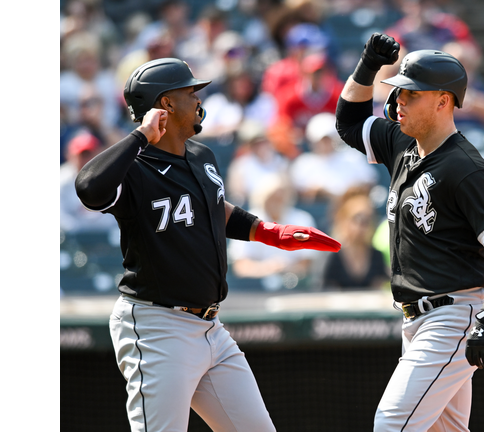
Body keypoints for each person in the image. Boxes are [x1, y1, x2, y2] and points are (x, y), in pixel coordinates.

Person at [74, 57, 340, 432]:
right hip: (157, 326)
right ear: (165, 105)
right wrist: (140, 136)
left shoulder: (201, 155)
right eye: (190, 93)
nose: (199, 100)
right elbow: (89, 188)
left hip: (212, 329)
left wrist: (266, 232)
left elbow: (213, 208)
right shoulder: (134, 167)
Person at [335, 33, 484, 431]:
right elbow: (348, 123)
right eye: (400, 92)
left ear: (443, 101)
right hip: (418, 319)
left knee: (391, 423)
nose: (399, 101)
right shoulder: (403, 143)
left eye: (411, 95)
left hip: (454, 314)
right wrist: (368, 66)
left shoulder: (467, 168)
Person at [228, 173, 321, 291]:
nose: (277, 201)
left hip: (295, 288)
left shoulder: (302, 219)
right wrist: (267, 268)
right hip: (254, 290)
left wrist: (285, 269)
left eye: (281, 197)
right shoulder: (246, 221)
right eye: (272, 197)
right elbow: (240, 266)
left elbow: (306, 264)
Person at [289, 112, 378, 204]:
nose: (325, 143)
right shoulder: (303, 163)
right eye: (322, 140)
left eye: (328, 139)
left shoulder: (353, 157)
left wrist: (351, 192)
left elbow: (369, 182)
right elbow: (298, 193)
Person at [321, 186, 389, 290]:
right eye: (358, 218)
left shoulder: (377, 256)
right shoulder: (330, 257)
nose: (363, 225)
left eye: (368, 219)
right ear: (343, 219)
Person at [61, 132, 118, 234]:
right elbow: (60, 217)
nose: (86, 160)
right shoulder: (61, 180)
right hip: (73, 239)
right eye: (82, 155)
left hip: (106, 237)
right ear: (71, 156)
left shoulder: (110, 177)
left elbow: (116, 215)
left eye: (90, 154)